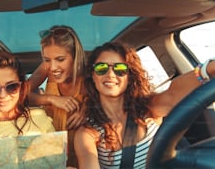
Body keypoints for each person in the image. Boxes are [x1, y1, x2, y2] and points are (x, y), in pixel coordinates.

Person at [74, 41, 215, 169]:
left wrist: (208, 69)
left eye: (120, 68)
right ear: (93, 75)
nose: (110, 74)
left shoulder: (149, 109)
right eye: (102, 67)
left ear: (129, 76)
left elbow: (172, 94)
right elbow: (88, 161)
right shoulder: (88, 133)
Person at [28, 25, 86, 167]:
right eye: (47, 59)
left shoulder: (89, 77)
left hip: (82, 153)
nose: (53, 67)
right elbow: (18, 95)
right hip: (50, 151)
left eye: (60, 59)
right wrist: (50, 99)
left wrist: (88, 108)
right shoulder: (46, 69)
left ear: (75, 56)